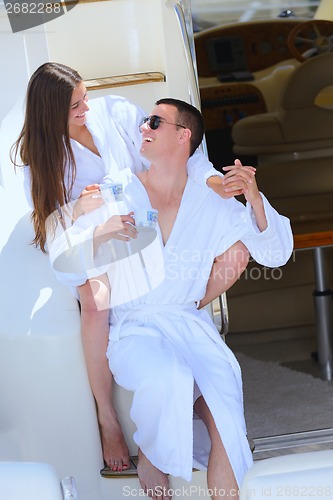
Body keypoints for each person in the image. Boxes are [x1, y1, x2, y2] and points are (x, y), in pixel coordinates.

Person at [11, 62, 250, 472]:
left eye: (85, 97)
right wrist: (81, 209)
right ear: (50, 113)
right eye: (75, 106)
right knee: (96, 297)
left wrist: (211, 182)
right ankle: (107, 416)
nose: (87, 108)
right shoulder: (38, 160)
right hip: (99, 238)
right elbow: (54, 226)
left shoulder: (116, 113)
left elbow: (172, 147)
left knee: (222, 252)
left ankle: (190, 329)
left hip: (148, 223)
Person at [63, 98, 293, 499]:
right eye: (144, 122)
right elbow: (71, 258)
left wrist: (254, 198)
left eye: (154, 122)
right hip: (135, 330)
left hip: (189, 325)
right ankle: (153, 455)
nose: (143, 129)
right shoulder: (121, 188)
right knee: (168, 377)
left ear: (184, 135)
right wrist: (95, 233)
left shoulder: (210, 199)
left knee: (226, 420)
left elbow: (274, 253)